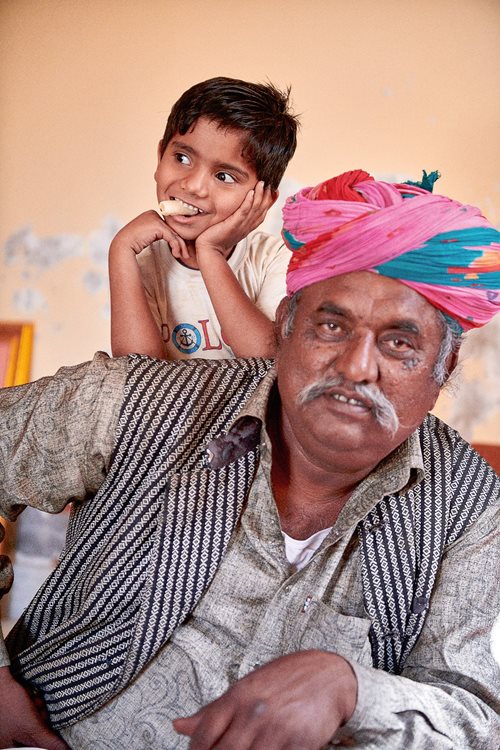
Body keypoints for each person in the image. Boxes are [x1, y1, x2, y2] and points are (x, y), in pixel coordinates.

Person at [0, 169, 499, 750]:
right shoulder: (143, 402)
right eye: (332, 325)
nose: (358, 367)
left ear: (446, 366)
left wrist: (353, 690)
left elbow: (476, 717)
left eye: (399, 342)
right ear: (286, 326)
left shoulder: (468, 505)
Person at [109, 76, 299, 361]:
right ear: (160, 156)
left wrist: (211, 253)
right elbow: (135, 374)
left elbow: (268, 361)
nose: (194, 186)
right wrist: (119, 250)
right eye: (182, 158)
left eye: (224, 176)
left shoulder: (272, 259)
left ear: (263, 199)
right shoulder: (142, 259)